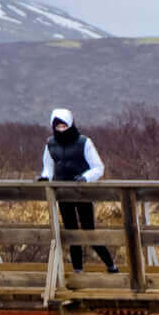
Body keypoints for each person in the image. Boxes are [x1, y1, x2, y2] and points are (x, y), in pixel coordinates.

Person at [40, 106, 112, 273]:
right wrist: (45, 178)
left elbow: (98, 167)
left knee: (88, 230)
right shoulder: (50, 144)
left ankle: (111, 265)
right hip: (63, 193)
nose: (61, 130)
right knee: (71, 231)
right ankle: (78, 269)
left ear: (71, 125)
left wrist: (85, 178)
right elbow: (48, 167)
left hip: (82, 192)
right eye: (58, 127)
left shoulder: (84, 142)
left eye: (64, 126)